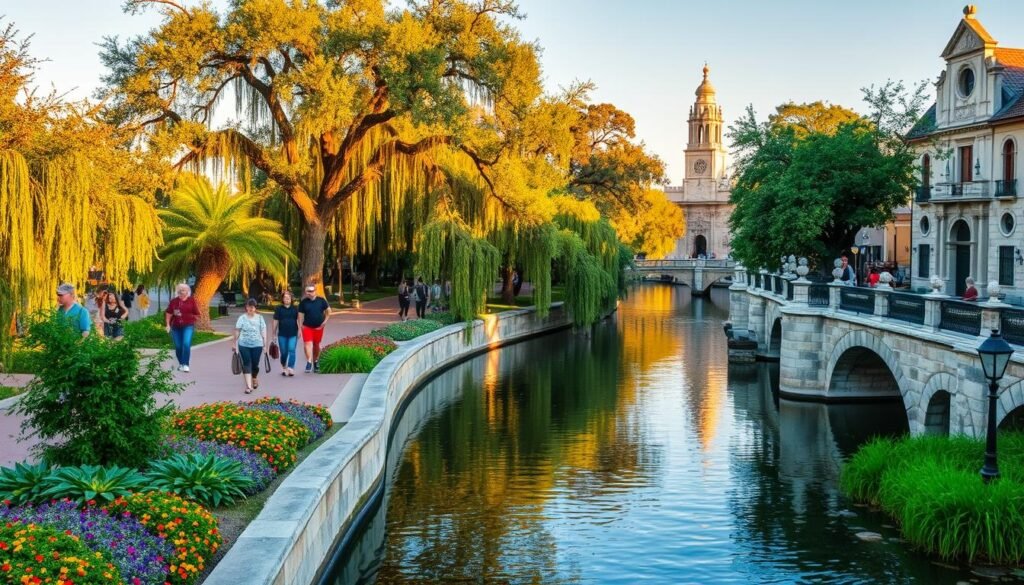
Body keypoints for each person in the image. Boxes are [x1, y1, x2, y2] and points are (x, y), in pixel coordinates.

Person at [165, 283, 201, 372]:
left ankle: (186, 364)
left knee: (186, 344)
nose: (181, 291)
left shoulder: (191, 301)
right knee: (178, 346)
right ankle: (181, 363)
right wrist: (168, 324)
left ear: (187, 292)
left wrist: (192, 318)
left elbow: (197, 313)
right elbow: (168, 313)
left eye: (183, 290)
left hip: (188, 325)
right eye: (180, 289)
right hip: (176, 326)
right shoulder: (174, 301)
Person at [234, 298, 268, 393]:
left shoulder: (260, 318)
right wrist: (234, 344)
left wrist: (265, 345)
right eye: (248, 306)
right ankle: (249, 386)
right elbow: (237, 331)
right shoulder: (242, 318)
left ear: (255, 308)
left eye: (252, 307)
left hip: (257, 344)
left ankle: (254, 377)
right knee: (247, 364)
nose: (250, 309)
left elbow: (263, 331)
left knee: (255, 364)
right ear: (246, 307)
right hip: (244, 344)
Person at [297, 284, 331, 373]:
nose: (309, 293)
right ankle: (309, 361)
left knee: (316, 345)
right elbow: (300, 315)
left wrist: (325, 321)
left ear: (315, 291)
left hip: (319, 327)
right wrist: (300, 327)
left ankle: (316, 362)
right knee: (307, 344)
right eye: (307, 291)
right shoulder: (303, 302)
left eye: (311, 291)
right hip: (307, 327)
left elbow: (329, 311)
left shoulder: (321, 300)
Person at [272, 291, 300, 377]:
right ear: (282, 299)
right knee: (284, 352)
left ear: (291, 299)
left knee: (292, 350)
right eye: (285, 298)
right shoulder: (278, 309)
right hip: (282, 334)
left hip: (293, 333)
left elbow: (299, 320)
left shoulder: (295, 309)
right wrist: (273, 333)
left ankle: (291, 368)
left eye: (288, 298)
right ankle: (284, 367)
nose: (287, 299)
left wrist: (300, 331)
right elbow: (275, 321)